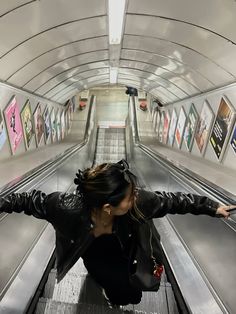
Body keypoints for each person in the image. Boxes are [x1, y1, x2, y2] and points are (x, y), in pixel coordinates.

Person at [0, 159, 234, 306]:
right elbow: (28, 200)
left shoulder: (139, 203)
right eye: (129, 196)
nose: (136, 196)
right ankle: (110, 294)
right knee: (110, 285)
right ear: (107, 208)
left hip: (128, 253)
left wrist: (212, 207)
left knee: (133, 293)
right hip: (93, 254)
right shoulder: (65, 208)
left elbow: (173, 201)